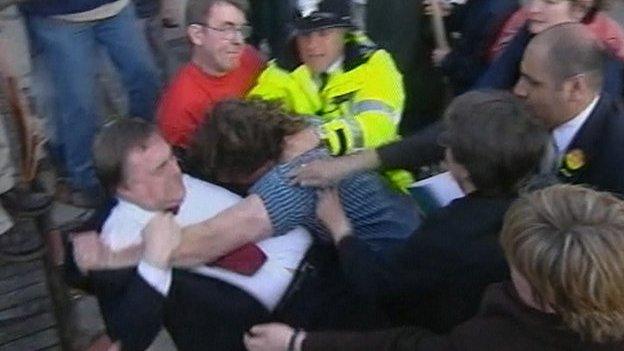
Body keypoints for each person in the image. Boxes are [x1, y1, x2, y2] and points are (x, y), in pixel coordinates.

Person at [282, 90, 550, 332]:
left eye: (448, 143)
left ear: (464, 168)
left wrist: (340, 228)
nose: (442, 146)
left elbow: (380, 285)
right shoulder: (541, 199)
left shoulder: (450, 233)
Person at [244, 184, 624, 351]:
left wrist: (299, 343)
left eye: (516, 266)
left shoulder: (494, 342)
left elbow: (406, 345)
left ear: (548, 297)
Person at [291, 23, 624, 197]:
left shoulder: (615, 151)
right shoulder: (533, 103)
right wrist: (354, 163)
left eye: (532, 82)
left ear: (575, 89)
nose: (518, 90)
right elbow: (451, 134)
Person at [76, 118, 312, 351]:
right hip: (282, 317)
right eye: (160, 169)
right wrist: (153, 263)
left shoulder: (192, 170)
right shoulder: (118, 238)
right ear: (124, 189)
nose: (176, 171)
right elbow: (128, 336)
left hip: (315, 254)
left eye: (170, 158)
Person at [20, 0, 161, 207]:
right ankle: (87, 183)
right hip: (59, 17)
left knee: (145, 77)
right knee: (79, 103)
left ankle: (139, 147)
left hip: (115, 7)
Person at [248, 0, 404, 159]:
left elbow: (380, 125)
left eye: (323, 34)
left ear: (344, 34)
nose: (312, 45)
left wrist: (322, 137)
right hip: (298, 166)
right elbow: (255, 117)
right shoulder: (282, 68)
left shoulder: (374, 63)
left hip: (371, 167)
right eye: (305, 35)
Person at [157, 0, 265, 149]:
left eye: (241, 29)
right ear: (197, 35)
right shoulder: (179, 109)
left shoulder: (249, 58)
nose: (239, 41)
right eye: (226, 29)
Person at [475, 0, 624, 93]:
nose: (533, 9)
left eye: (549, 2)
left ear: (580, 9)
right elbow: (491, 84)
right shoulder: (532, 30)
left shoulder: (602, 61)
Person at [428, 0, 519, 94]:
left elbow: (472, 66)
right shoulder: (493, 5)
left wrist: (446, 60)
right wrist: (452, 12)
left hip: (473, 90)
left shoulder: (491, 13)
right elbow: (469, 15)